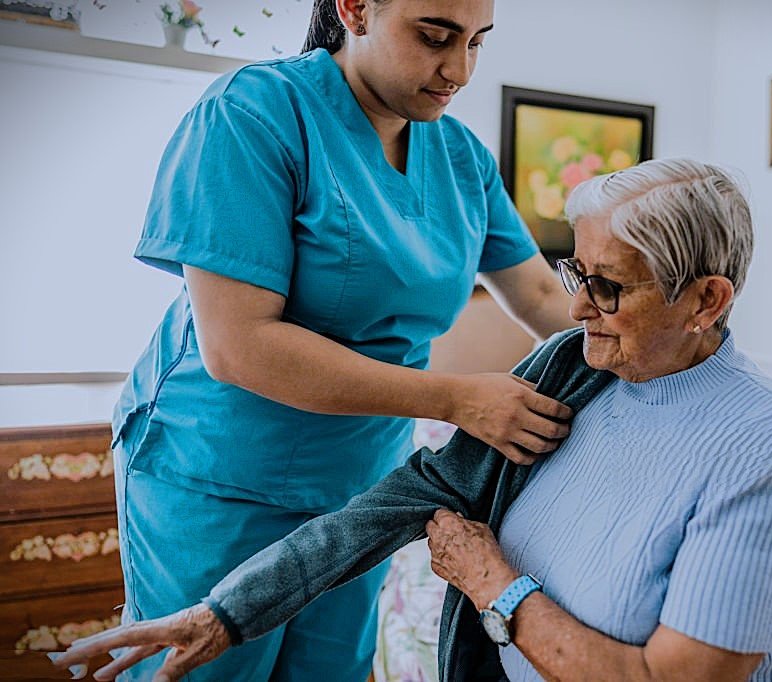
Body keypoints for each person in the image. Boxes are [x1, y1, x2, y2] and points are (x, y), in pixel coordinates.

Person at [54, 159, 772, 682]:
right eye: (579, 272)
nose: (577, 307)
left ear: (708, 300)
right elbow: (400, 499)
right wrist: (226, 612)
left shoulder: (760, 442)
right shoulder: (575, 371)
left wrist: (491, 581)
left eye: (610, 287)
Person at [103, 0, 578, 679]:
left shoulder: (461, 158)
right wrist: (454, 399)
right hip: (220, 469)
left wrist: (650, 336)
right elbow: (239, 345)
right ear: (354, 9)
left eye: (478, 42)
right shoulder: (255, 114)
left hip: (360, 487)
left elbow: (534, 294)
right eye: (436, 37)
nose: (460, 69)